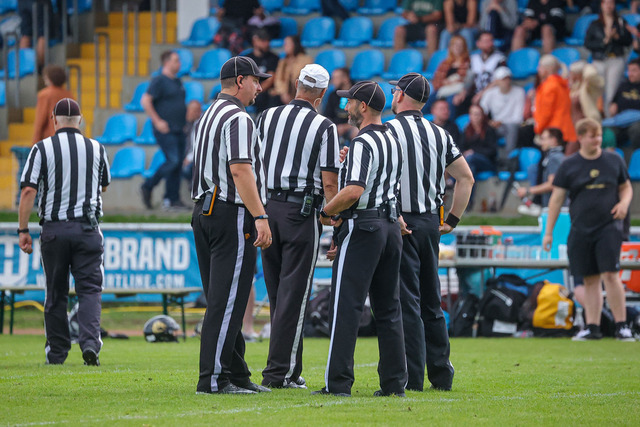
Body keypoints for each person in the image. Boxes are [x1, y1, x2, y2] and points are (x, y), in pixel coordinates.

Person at [313, 81, 407, 397]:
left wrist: (326, 211)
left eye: (350, 102)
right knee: (389, 309)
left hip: (364, 226)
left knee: (346, 306)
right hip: (390, 226)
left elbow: (354, 190)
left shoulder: (362, 142)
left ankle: (338, 383)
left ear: (363, 106)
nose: (346, 108)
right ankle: (394, 384)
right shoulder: (393, 139)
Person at [386, 73, 474, 392]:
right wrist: (452, 220)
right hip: (429, 223)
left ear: (400, 96)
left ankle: (412, 376)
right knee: (431, 301)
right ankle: (441, 373)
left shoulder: (388, 130)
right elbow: (466, 178)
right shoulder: (440, 133)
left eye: (394, 91)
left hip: (401, 221)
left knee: (407, 301)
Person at [191, 56, 273, 394]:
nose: (259, 88)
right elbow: (240, 169)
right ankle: (213, 379)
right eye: (256, 80)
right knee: (227, 301)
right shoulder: (238, 117)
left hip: (204, 210)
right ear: (240, 81)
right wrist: (260, 215)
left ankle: (236, 373)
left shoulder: (208, 113)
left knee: (224, 298)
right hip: (230, 212)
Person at [257, 64, 340, 389]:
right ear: (322, 94)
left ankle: (289, 370)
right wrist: (336, 223)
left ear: (296, 84)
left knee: (279, 294)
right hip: (300, 213)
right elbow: (329, 183)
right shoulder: (324, 126)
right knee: (294, 296)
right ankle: (279, 373)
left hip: (267, 209)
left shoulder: (267, 117)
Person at [18, 98, 110, 366]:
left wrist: (23, 229)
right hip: (87, 229)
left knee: (55, 292)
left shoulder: (41, 148)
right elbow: (104, 185)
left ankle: (57, 352)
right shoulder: (96, 148)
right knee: (90, 290)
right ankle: (90, 344)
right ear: (80, 120)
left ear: (54, 120)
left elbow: (28, 190)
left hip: (54, 230)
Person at [543, 118, 634, 342]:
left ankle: (622, 326)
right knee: (590, 278)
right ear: (581, 137)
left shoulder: (614, 160)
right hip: (581, 228)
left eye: (599, 135)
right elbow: (556, 199)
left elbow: (626, 188)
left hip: (609, 226)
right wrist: (548, 232)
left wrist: (624, 204)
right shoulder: (569, 165)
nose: (598, 140)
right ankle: (593, 327)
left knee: (610, 275)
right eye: (593, 136)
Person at [140, 50, 189, 211]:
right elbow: (145, 101)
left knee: (177, 164)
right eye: (176, 60)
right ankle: (148, 186)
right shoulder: (159, 80)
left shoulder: (178, 81)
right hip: (165, 129)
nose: (179, 63)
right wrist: (158, 121)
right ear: (166, 62)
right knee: (173, 161)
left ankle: (172, 199)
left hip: (179, 129)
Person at [585, 0, 631, 117]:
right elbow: (587, 43)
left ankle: (609, 119)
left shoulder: (620, 22)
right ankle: (597, 117)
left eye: (611, 3)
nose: (609, 6)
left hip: (615, 59)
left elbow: (628, 41)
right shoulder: (595, 24)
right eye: (606, 3)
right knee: (598, 91)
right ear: (602, 5)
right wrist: (603, 42)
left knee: (611, 92)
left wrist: (617, 37)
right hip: (599, 60)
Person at [515, 127, 565, 216]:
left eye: (543, 139)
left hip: (556, 208)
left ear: (553, 140)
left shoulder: (554, 158)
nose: (541, 143)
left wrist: (527, 191)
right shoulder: (555, 156)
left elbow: (552, 184)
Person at [534, 55, 577, 153]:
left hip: (552, 132)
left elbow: (545, 113)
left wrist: (538, 129)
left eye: (540, 66)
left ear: (547, 69)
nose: (538, 69)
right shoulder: (562, 84)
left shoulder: (549, 87)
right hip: (565, 129)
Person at [479, 66, 525, 156]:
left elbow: (518, 118)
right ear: (496, 81)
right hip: (496, 126)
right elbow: (481, 109)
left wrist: (500, 122)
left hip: (512, 126)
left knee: (511, 127)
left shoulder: (519, 92)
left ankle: (509, 156)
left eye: (508, 78)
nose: (507, 81)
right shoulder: (490, 93)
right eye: (503, 79)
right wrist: (488, 121)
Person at [32, 65, 74, 144]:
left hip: (50, 139)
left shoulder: (45, 94)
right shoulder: (69, 95)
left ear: (49, 78)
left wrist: (35, 142)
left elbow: (40, 121)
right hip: (69, 139)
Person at [243, 29, 281, 114]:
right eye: (263, 41)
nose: (267, 44)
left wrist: (256, 91)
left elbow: (270, 79)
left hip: (263, 92)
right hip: (249, 90)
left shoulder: (273, 58)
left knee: (266, 97)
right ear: (255, 41)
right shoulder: (247, 59)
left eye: (268, 41)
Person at [432, 35, 471, 117]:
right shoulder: (445, 63)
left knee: (451, 100)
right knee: (430, 99)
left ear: (464, 47)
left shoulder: (469, 63)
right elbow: (436, 80)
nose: (458, 47)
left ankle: (449, 123)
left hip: (459, 92)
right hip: (444, 89)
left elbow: (469, 81)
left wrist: (455, 84)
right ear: (451, 47)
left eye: (460, 45)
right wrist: (444, 82)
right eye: (455, 45)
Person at [608, 59, 640, 150]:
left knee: (636, 130)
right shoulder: (623, 85)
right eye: (629, 70)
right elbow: (613, 103)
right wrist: (613, 107)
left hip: (637, 122)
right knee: (607, 132)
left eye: (634, 71)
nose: (630, 74)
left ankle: (636, 155)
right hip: (621, 121)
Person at [467, 31, 506, 104]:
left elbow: (500, 80)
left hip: (493, 92)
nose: (489, 44)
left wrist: (482, 93)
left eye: (491, 41)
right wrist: (463, 92)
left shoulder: (500, 58)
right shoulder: (473, 58)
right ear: (478, 43)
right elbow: (469, 79)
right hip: (475, 92)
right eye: (486, 41)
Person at [460, 104, 498, 180]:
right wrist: (465, 152)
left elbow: (493, 151)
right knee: (471, 167)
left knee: (470, 159)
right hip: (470, 161)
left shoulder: (489, 130)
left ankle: (453, 181)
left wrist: (474, 152)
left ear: (482, 116)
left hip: (487, 161)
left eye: (478, 114)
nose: (475, 117)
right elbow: (461, 147)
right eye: (473, 114)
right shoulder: (467, 130)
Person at [273, 35, 313, 105]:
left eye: (287, 44)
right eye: (284, 44)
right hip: (283, 93)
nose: (285, 46)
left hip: (297, 91)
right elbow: (278, 79)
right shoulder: (282, 61)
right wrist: (283, 92)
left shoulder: (306, 60)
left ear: (295, 45)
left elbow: (302, 78)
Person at [323, 67, 358, 143]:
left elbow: (361, 118)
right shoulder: (333, 95)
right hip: (336, 127)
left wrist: (345, 127)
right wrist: (334, 127)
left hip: (352, 127)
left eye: (336, 78)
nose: (333, 81)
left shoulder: (357, 93)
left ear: (345, 79)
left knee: (356, 131)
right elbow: (327, 115)